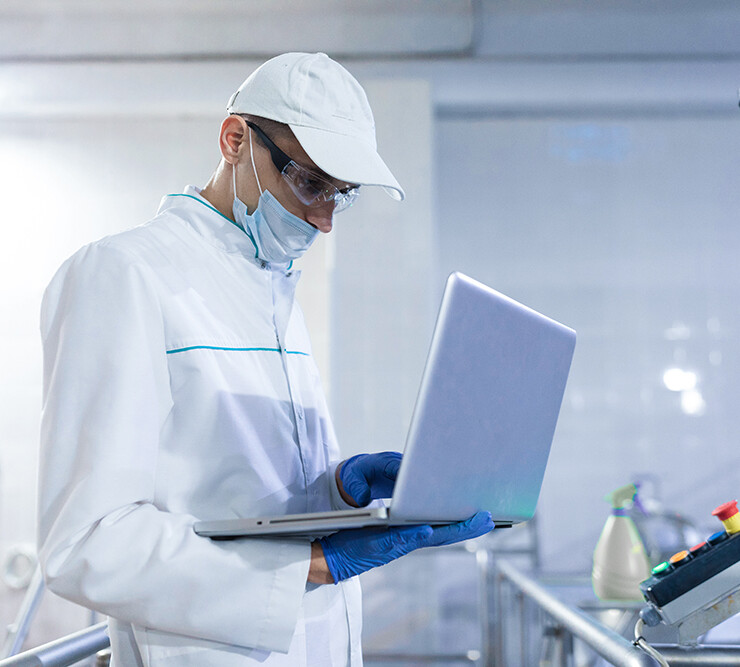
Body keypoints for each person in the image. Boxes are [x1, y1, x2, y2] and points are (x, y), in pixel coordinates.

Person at [37, 52, 493, 666]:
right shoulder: (124, 273)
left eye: (342, 194)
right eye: (310, 183)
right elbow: (88, 544)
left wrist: (336, 492)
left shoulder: (269, 284)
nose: (325, 219)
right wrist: (312, 566)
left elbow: (232, 494)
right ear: (235, 141)